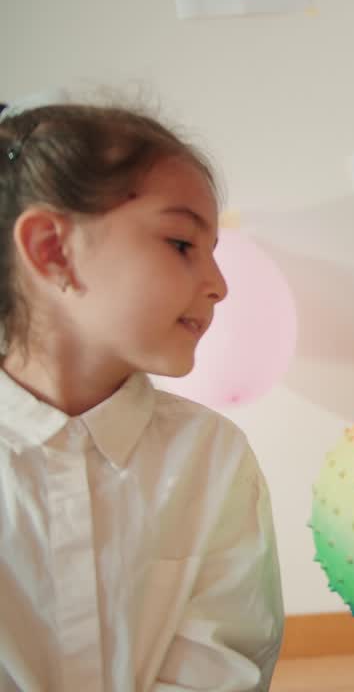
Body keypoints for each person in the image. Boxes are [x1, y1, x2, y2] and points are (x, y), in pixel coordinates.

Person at [0, 102, 284, 691]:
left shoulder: (214, 457)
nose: (220, 284)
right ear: (53, 249)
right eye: (182, 243)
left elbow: (226, 662)